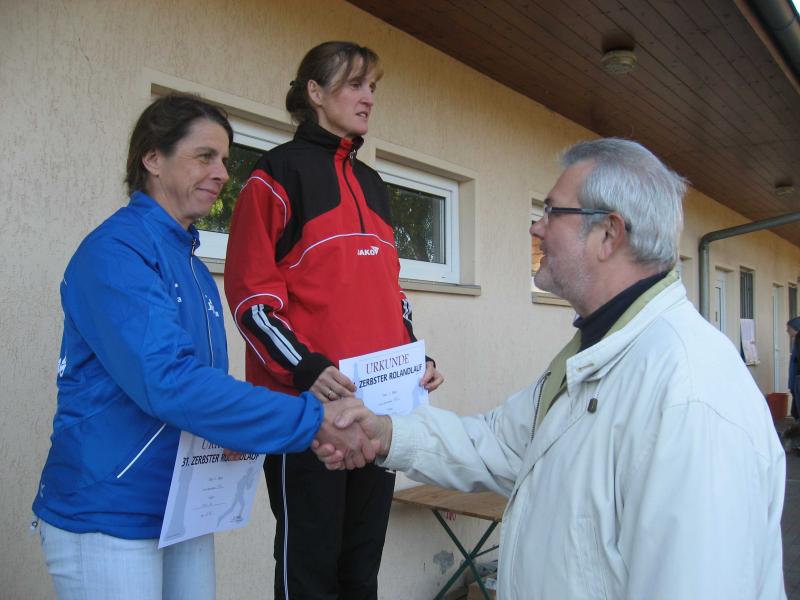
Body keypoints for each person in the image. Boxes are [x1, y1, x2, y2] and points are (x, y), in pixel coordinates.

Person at [316, 138, 787, 599]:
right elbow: (498, 445)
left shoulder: (689, 395)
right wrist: (384, 432)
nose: (536, 228)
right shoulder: (598, 351)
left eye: (552, 212)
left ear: (609, 234)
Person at [32, 93, 375, 600]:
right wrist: (310, 419)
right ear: (153, 158)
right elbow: (169, 383)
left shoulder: (192, 265)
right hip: (109, 510)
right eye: (204, 156)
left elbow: (203, 385)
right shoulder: (116, 251)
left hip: (181, 507)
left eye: (225, 160)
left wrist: (229, 432)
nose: (221, 174)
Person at [224, 41, 443, 599]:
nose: (369, 97)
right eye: (355, 85)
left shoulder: (373, 185)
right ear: (315, 93)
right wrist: (307, 369)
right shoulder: (274, 175)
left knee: (360, 573)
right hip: (308, 416)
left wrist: (414, 358)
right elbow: (251, 300)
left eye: (373, 87)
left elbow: (391, 295)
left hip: (379, 413)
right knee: (310, 576)